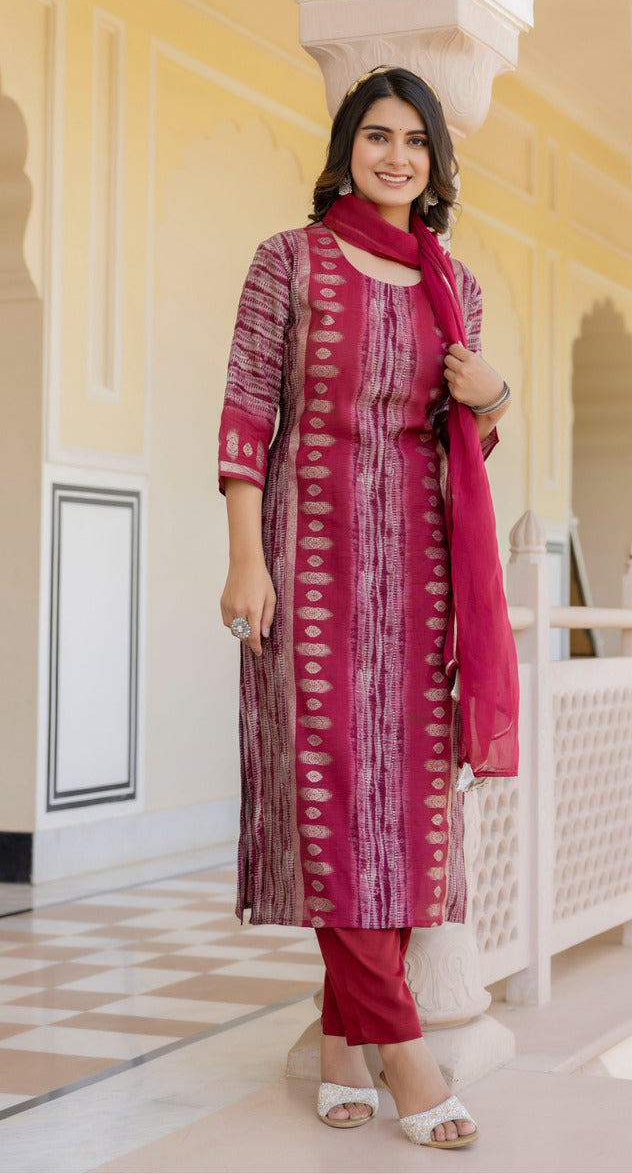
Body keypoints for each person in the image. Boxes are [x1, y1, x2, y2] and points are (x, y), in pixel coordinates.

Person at [218, 66, 518, 1150]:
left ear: (435, 164)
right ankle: (406, 1057)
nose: (394, 156)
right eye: (374, 135)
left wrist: (492, 401)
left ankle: (344, 1039)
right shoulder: (285, 264)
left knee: (400, 809)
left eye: (414, 143)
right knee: (331, 796)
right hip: (306, 563)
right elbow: (249, 409)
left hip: (421, 573)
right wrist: (243, 558)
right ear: (345, 146)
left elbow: (463, 444)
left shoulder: (454, 286)